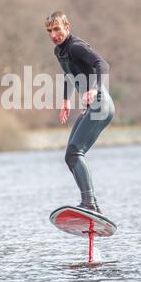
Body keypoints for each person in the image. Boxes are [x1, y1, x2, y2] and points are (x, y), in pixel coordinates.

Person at [45, 11, 115, 214]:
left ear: (67, 27)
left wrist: (93, 89)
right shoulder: (59, 51)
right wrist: (66, 100)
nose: (53, 35)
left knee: (76, 152)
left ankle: (90, 203)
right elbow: (69, 74)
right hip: (94, 107)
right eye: (49, 31)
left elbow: (102, 64)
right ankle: (90, 204)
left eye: (57, 29)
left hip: (100, 104)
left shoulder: (75, 46)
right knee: (70, 156)